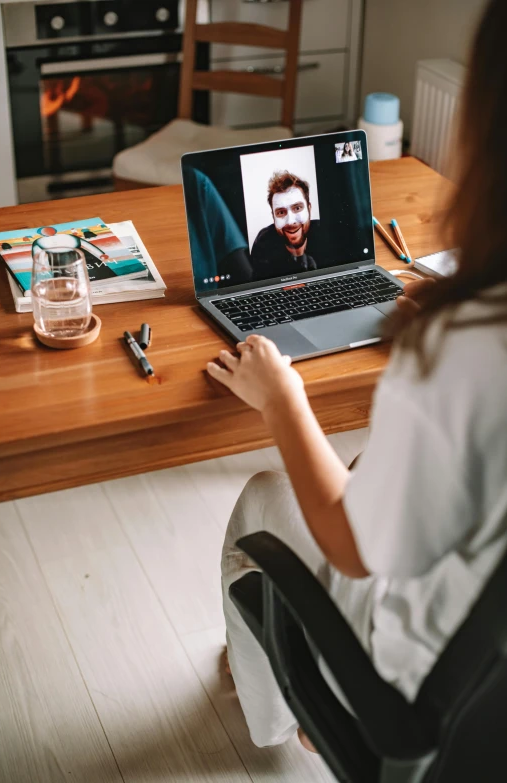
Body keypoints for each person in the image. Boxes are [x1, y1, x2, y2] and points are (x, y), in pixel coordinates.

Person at [207, 0, 507, 750]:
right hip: (487, 674)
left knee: (262, 500)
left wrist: (283, 400)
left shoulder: (462, 348)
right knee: (365, 461)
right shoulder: (262, 257)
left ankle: (289, 715)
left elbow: (347, 545)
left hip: (428, 698)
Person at [250, 171, 330, 280]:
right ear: (273, 217)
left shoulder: (327, 232)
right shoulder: (263, 243)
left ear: (309, 208)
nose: (290, 222)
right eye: (281, 212)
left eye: (297, 208)